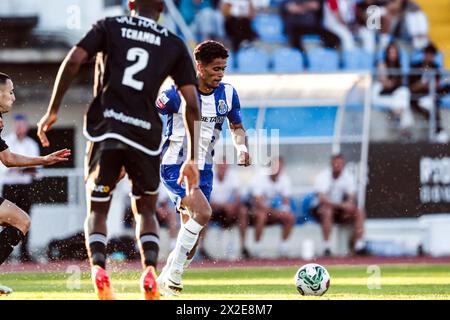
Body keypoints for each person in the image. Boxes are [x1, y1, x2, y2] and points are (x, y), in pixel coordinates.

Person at [36, 0, 200, 300]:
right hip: (145, 135)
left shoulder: (110, 27)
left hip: (107, 129)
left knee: (98, 208)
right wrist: (191, 157)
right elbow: (192, 103)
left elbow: (73, 60)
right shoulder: (173, 44)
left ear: (131, 4)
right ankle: (149, 270)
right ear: (162, 8)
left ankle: (99, 268)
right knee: (146, 210)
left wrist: (53, 110)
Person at [155, 40, 250, 296]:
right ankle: (174, 275)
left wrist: (241, 148)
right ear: (200, 67)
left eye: (223, 69)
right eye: (215, 68)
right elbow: (149, 116)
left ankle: (162, 283)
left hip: (203, 170)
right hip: (176, 165)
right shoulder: (176, 93)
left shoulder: (228, 94)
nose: (220, 74)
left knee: (193, 242)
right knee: (204, 213)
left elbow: (237, 128)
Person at [0, 72, 71, 295]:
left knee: (21, 221)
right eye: (10, 92)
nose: (13, 97)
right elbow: (9, 160)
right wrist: (45, 160)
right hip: (12, 185)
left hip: (22, 186)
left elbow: (7, 158)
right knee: (22, 220)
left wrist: (43, 160)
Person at [1, 114, 40, 263]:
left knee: (26, 219)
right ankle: (6, 253)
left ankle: (25, 253)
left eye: (22, 125)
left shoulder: (31, 144)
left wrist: (21, 166)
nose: (20, 128)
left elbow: (35, 168)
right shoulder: (6, 142)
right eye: (17, 125)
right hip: (10, 186)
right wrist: (20, 166)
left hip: (25, 186)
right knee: (7, 220)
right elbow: (6, 165)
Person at [313, 154, 367, 256]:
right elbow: (322, 199)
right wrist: (342, 206)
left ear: (343, 164)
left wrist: (348, 204)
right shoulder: (323, 176)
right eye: (335, 163)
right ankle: (327, 246)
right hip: (320, 210)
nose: (337, 166)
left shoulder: (348, 176)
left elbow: (352, 196)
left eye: (340, 163)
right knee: (327, 211)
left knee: (359, 212)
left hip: (339, 210)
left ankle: (359, 245)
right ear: (331, 164)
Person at [248, 157, 296, 258]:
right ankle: (257, 247)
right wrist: (276, 212)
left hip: (271, 212)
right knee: (261, 216)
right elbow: (258, 203)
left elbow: (286, 201)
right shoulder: (259, 178)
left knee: (290, 216)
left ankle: (284, 247)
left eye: (280, 167)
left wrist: (283, 212)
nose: (277, 169)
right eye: (275, 166)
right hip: (252, 211)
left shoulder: (285, 179)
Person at [409, 43, 450, 143]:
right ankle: (438, 131)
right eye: (428, 54)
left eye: (432, 55)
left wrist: (430, 85)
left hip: (431, 93)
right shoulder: (415, 66)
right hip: (417, 95)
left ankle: (438, 132)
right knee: (432, 103)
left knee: (438, 96)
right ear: (424, 54)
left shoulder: (435, 67)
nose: (430, 57)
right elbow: (411, 87)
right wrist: (423, 84)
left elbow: (435, 84)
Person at [372, 42, 413, 137]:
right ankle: (404, 126)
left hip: (391, 96)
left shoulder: (398, 66)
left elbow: (395, 85)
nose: (392, 55)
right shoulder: (382, 64)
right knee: (403, 98)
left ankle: (401, 122)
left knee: (404, 92)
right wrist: (394, 83)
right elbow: (386, 84)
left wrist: (395, 84)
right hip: (379, 95)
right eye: (390, 52)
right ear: (387, 53)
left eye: (394, 52)